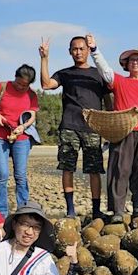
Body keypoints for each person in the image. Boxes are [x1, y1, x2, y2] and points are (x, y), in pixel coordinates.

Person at [87, 34, 138, 224]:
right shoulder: (119, 81)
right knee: (118, 170)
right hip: (121, 132)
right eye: (131, 60)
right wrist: (94, 50)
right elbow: (104, 70)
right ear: (126, 64)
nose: (135, 63)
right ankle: (117, 211)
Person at [39, 37, 112, 219]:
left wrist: (111, 125)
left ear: (88, 50)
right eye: (74, 49)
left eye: (81, 49)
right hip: (69, 126)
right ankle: (70, 210)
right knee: (67, 167)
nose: (78, 52)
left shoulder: (99, 74)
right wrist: (44, 58)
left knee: (94, 170)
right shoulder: (65, 73)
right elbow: (46, 85)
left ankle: (96, 210)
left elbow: (109, 102)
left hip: (93, 127)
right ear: (69, 51)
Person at [0, 64, 40, 217]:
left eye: (25, 85)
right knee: (3, 173)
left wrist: (23, 126)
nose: (21, 87)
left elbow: (32, 115)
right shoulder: (2, 87)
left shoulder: (32, 95)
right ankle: (1, 213)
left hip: (21, 137)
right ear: (15, 77)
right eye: (19, 83)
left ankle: (23, 210)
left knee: (20, 175)